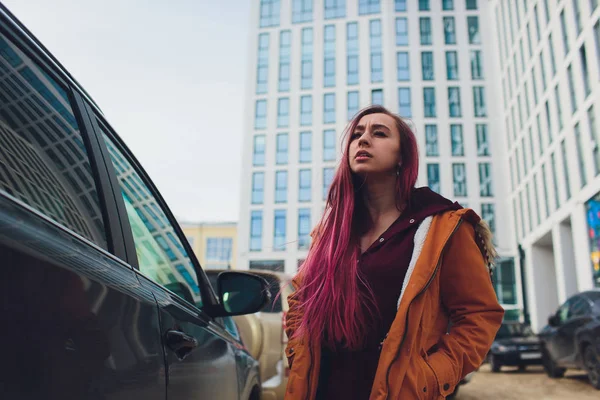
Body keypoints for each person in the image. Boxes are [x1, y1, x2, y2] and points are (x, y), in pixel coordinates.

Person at [283, 105, 504, 400]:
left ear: (402, 156)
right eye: (357, 134)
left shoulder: (444, 227)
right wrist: (299, 354)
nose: (362, 140)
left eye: (379, 133)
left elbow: (479, 316)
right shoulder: (330, 233)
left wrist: (430, 376)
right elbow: (301, 300)